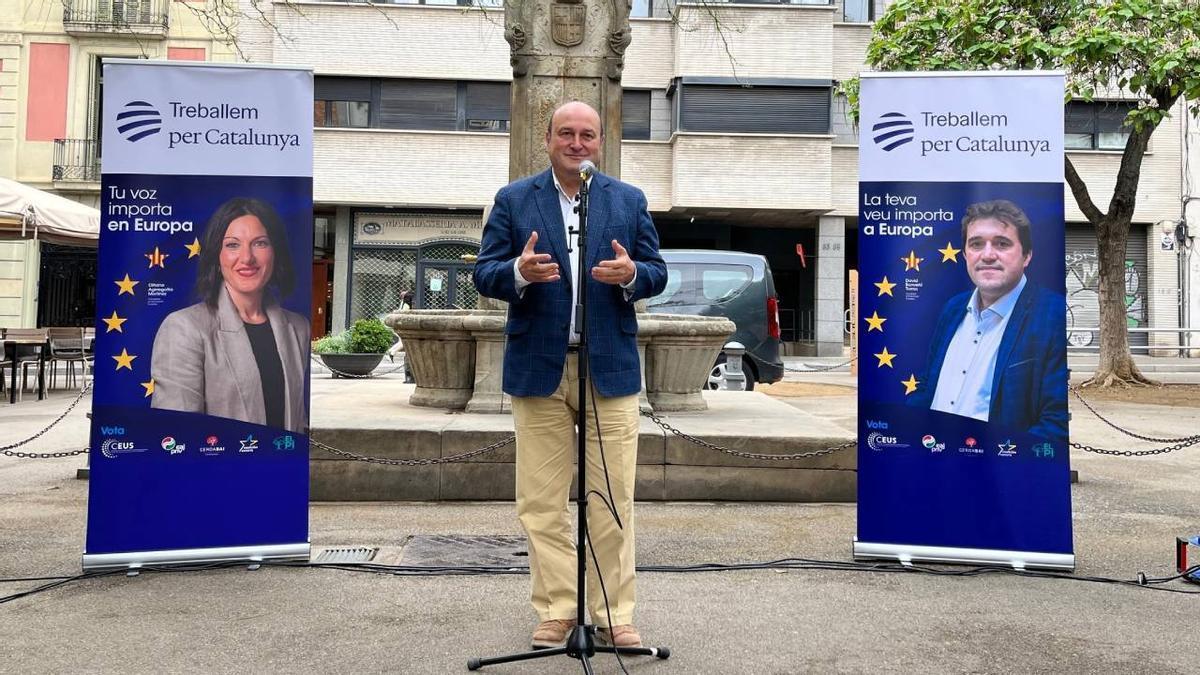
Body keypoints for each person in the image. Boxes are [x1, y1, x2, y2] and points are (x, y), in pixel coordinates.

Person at [473, 101, 667, 650]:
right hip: (540, 367)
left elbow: (657, 270)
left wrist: (633, 275)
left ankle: (612, 614)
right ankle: (558, 608)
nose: (576, 143)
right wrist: (518, 271)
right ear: (548, 138)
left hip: (609, 367)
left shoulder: (627, 200)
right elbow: (485, 272)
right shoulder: (515, 200)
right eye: (566, 133)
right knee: (540, 500)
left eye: (587, 134)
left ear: (600, 142)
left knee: (612, 497)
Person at [909, 199, 1067, 444]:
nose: (988, 255)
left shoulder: (1052, 315)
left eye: (1002, 243)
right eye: (976, 244)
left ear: (1026, 256)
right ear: (965, 254)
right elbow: (928, 386)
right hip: (934, 464)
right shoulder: (952, 309)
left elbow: (1054, 421)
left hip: (1000, 473)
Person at [151, 197, 309, 433]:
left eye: (260, 243)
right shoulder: (183, 328)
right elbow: (177, 432)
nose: (247, 258)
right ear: (218, 255)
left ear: (276, 252)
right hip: (217, 470)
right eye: (233, 245)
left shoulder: (299, 328)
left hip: (282, 468)